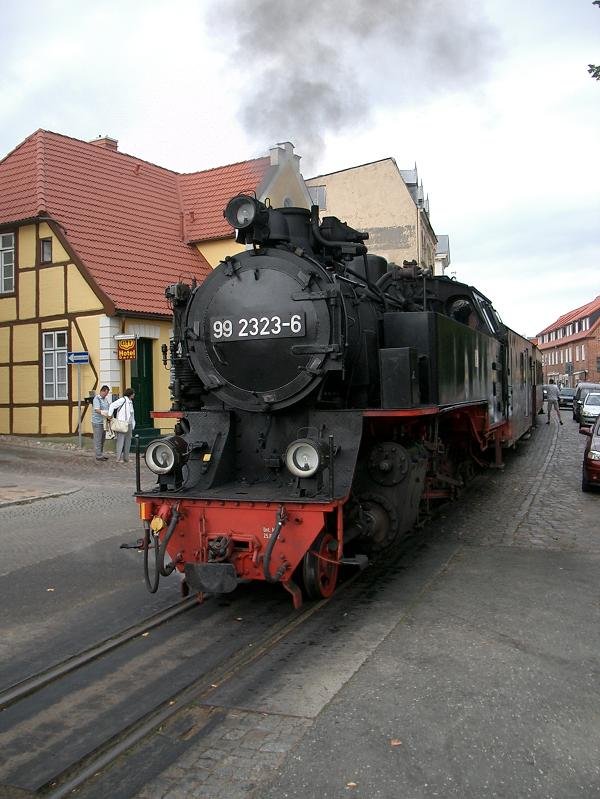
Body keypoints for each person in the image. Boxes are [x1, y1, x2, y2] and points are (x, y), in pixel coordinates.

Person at [108, 388, 136, 463]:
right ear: (130, 394)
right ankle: (118, 458)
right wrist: (110, 415)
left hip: (128, 424)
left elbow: (132, 414)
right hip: (122, 423)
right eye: (133, 393)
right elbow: (112, 405)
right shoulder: (122, 400)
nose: (134, 395)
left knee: (128, 441)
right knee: (120, 440)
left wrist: (133, 423)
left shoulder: (130, 402)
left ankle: (126, 457)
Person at [91, 385, 111, 460]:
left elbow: (108, 407)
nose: (106, 395)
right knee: (98, 439)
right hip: (97, 422)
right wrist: (106, 413)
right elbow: (97, 410)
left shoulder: (105, 399)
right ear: (102, 391)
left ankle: (101, 454)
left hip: (103, 422)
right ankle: (98, 455)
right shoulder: (97, 399)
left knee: (102, 439)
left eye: (107, 393)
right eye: (106, 393)